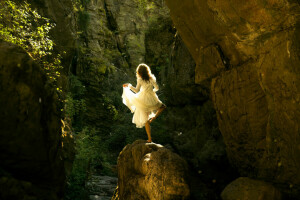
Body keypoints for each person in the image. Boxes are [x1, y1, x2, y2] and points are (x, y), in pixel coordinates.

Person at [122, 63, 166, 143]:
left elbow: (136, 90)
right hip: (151, 97)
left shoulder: (140, 79)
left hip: (142, 98)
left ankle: (149, 139)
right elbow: (157, 88)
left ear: (140, 72)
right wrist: (152, 92)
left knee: (146, 120)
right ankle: (154, 117)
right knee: (163, 107)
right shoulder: (152, 78)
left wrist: (129, 85)